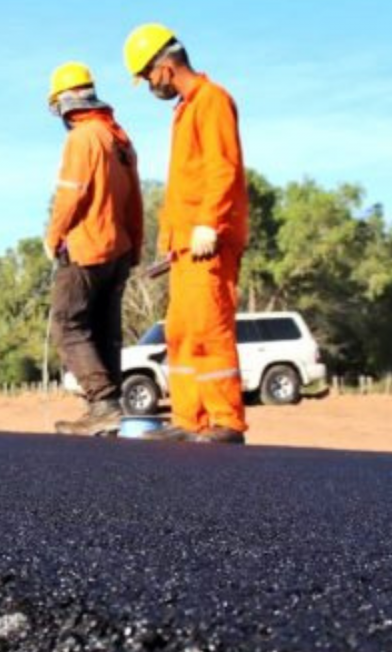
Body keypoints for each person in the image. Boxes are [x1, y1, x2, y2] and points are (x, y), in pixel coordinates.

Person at [124, 24, 249, 444]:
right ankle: (188, 418)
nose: (148, 87)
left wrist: (209, 223)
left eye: (146, 77)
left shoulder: (212, 100)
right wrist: (168, 244)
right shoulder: (186, 108)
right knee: (180, 331)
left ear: (164, 66)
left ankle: (225, 420)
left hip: (207, 241)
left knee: (209, 327)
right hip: (185, 247)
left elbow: (222, 167)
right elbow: (184, 185)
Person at [44, 62, 144, 435]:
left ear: (65, 103)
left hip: (87, 248)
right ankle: (108, 412)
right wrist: (135, 248)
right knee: (105, 330)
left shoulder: (82, 138)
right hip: (120, 251)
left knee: (69, 323)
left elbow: (70, 196)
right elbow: (136, 201)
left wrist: (53, 238)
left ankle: (102, 403)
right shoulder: (120, 140)